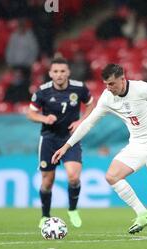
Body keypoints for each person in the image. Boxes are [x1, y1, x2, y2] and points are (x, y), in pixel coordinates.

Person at [51, 64, 147, 239]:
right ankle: (142, 214)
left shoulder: (140, 88)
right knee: (112, 176)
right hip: (136, 144)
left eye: (112, 84)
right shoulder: (107, 98)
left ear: (123, 79)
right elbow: (89, 122)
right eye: (106, 84)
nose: (109, 88)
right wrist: (66, 146)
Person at [27, 57, 95, 229]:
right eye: (55, 71)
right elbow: (31, 114)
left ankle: (72, 209)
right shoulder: (42, 92)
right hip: (49, 138)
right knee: (48, 181)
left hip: (70, 138)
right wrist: (44, 118)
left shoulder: (79, 88)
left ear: (68, 73)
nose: (59, 75)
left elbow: (91, 105)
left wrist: (81, 122)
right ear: (50, 73)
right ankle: (45, 216)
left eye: (62, 71)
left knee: (73, 176)